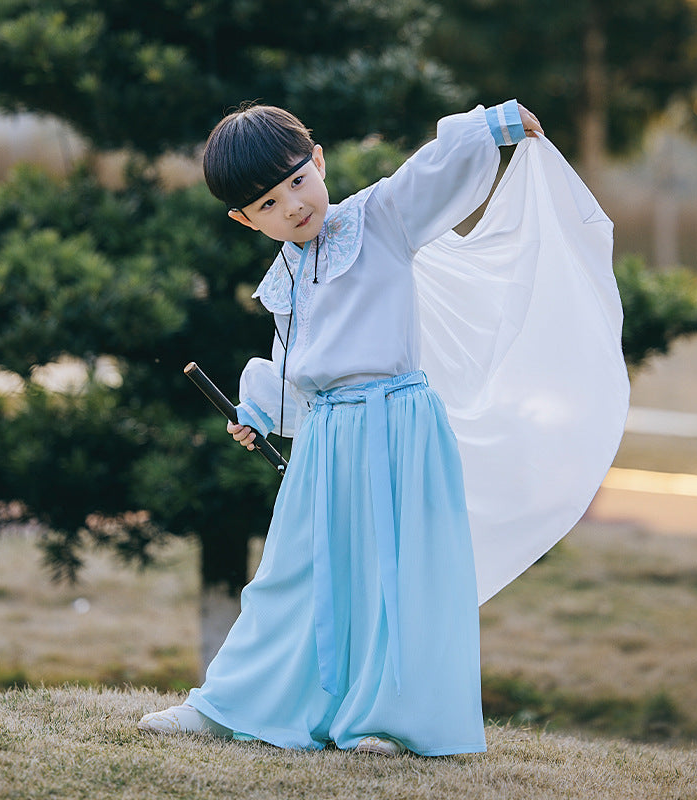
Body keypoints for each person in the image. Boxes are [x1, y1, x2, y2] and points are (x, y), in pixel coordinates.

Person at [138, 100, 629, 756]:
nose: (290, 205)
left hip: (399, 425)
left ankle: (391, 721)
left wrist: (493, 125)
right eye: (265, 203)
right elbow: (297, 369)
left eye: (294, 181)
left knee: (398, 573)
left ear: (317, 162)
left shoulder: (380, 218)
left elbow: (428, 173)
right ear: (244, 220)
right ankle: (230, 703)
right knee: (292, 573)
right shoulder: (282, 278)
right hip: (324, 439)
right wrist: (258, 413)